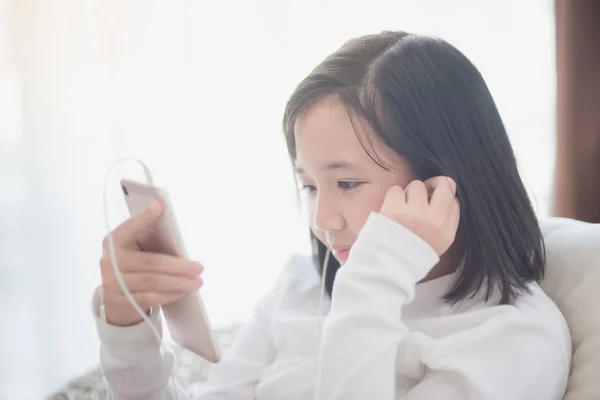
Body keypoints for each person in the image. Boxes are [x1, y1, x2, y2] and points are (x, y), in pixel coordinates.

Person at [94, 31, 571, 399]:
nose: (323, 220)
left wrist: (374, 281)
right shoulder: (304, 282)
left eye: (346, 184)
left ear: (444, 182)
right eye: (308, 185)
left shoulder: (512, 338)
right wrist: (129, 332)